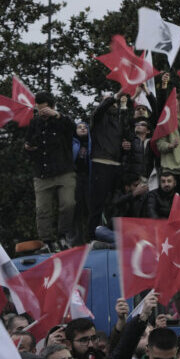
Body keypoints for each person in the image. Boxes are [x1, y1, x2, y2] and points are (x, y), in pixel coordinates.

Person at [24, 91, 78, 250]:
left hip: (64, 171)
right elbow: (28, 143)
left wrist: (57, 115)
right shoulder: (34, 123)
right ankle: (47, 241)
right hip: (42, 173)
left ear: (52, 107)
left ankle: (63, 235)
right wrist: (29, 148)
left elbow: (74, 129)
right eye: (39, 110)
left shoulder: (62, 121)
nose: (42, 113)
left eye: (45, 109)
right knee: (42, 210)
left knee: (68, 204)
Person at [89, 92, 135, 229]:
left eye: (113, 101)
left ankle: (110, 235)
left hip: (117, 166)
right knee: (97, 204)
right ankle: (92, 237)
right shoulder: (97, 118)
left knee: (115, 204)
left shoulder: (118, 120)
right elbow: (101, 109)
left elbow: (127, 132)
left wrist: (126, 145)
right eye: (108, 100)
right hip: (101, 163)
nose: (112, 102)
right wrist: (114, 96)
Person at [72, 120, 93, 245]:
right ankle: (77, 240)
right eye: (79, 127)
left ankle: (91, 237)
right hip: (76, 177)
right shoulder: (72, 143)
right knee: (77, 208)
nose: (83, 129)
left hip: (89, 177)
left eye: (85, 127)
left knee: (90, 207)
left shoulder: (92, 143)